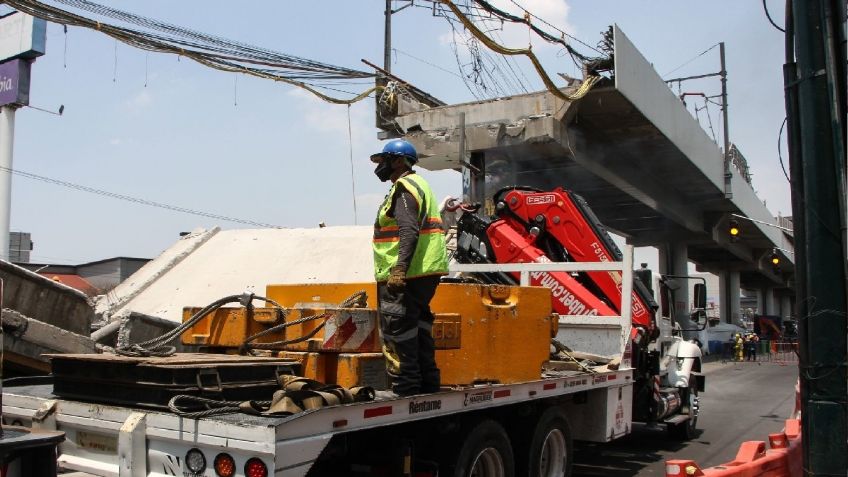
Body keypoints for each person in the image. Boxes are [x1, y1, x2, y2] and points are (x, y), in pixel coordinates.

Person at [370, 139, 449, 398]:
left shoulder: (404, 188)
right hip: (425, 272)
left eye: (384, 160)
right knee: (419, 327)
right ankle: (427, 383)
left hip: (409, 273)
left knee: (397, 328)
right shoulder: (420, 185)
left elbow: (408, 230)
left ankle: (404, 387)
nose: (379, 166)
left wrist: (399, 269)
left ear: (399, 161)